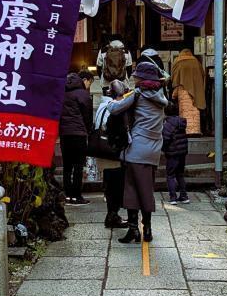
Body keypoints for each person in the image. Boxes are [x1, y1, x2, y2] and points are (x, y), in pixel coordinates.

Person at [109, 61, 168, 243]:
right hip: (154, 149)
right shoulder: (161, 95)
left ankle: (134, 229)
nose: (133, 77)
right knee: (146, 189)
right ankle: (147, 230)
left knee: (132, 189)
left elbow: (114, 109)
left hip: (137, 149)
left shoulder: (137, 94)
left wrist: (112, 100)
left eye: (136, 75)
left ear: (141, 79)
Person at [93, 79, 128, 228]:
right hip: (113, 151)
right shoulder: (115, 108)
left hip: (102, 150)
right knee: (116, 185)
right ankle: (112, 215)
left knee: (109, 184)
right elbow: (116, 129)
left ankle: (111, 215)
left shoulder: (102, 106)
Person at [59, 70, 93, 205]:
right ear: (84, 80)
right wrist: (88, 131)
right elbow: (87, 115)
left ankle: (67, 195)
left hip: (64, 133)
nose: (89, 85)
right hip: (79, 134)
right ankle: (77, 196)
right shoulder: (83, 94)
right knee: (78, 166)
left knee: (67, 166)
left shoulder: (63, 93)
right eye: (89, 82)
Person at [170, 47, 205, 136]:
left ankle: (185, 130)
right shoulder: (196, 62)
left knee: (184, 109)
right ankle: (195, 130)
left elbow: (174, 77)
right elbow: (202, 75)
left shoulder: (178, 61)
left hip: (183, 90)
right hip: (196, 90)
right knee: (195, 110)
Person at [162, 100, 190, 204]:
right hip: (182, 151)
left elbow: (166, 138)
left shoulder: (168, 124)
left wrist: (163, 149)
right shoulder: (181, 122)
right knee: (180, 174)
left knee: (170, 175)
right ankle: (184, 195)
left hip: (172, 152)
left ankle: (173, 197)